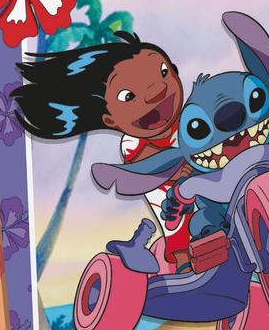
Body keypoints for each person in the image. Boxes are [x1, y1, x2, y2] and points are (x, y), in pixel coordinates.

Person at [12, 32, 192, 267]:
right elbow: (150, 167)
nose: (157, 91)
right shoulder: (133, 143)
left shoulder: (192, 116)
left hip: (220, 196)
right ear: (110, 119)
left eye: (163, 71)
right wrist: (180, 167)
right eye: (128, 96)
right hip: (181, 219)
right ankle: (184, 265)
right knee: (183, 241)